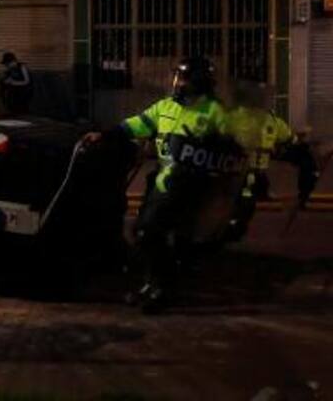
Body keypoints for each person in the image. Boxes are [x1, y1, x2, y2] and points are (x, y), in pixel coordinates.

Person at [82, 55, 229, 313]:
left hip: (192, 186)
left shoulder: (216, 113)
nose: (177, 83)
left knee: (154, 234)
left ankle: (163, 289)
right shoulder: (166, 107)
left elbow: (231, 150)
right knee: (146, 234)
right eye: (177, 77)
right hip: (164, 182)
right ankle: (154, 284)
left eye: (183, 78)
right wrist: (105, 135)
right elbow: (139, 124)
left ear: (198, 82)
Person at [223, 80, 318, 242]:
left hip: (252, 174)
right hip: (237, 176)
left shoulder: (265, 120)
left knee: (253, 192)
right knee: (244, 201)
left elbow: (290, 140)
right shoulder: (241, 119)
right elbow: (291, 140)